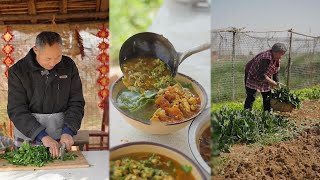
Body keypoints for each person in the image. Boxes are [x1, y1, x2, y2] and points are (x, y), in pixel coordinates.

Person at [7, 31, 85, 158]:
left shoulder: (68, 66)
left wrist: (68, 130)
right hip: (28, 134)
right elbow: (16, 109)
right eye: (48, 58)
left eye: (58, 57)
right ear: (36, 50)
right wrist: (42, 135)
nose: (53, 63)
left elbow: (76, 102)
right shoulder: (18, 71)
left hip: (60, 133)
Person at [244, 43, 287, 111]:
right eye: (280, 53)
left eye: (282, 54)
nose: (281, 56)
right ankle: (247, 112)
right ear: (273, 51)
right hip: (252, 74)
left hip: (264, 76)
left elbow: (275, 73)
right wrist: (271, 82)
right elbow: (261, 74)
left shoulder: (277, 59)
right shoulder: (266, 58)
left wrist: (277, 84)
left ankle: (267, 113)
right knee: (251, 96)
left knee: (267, 95)